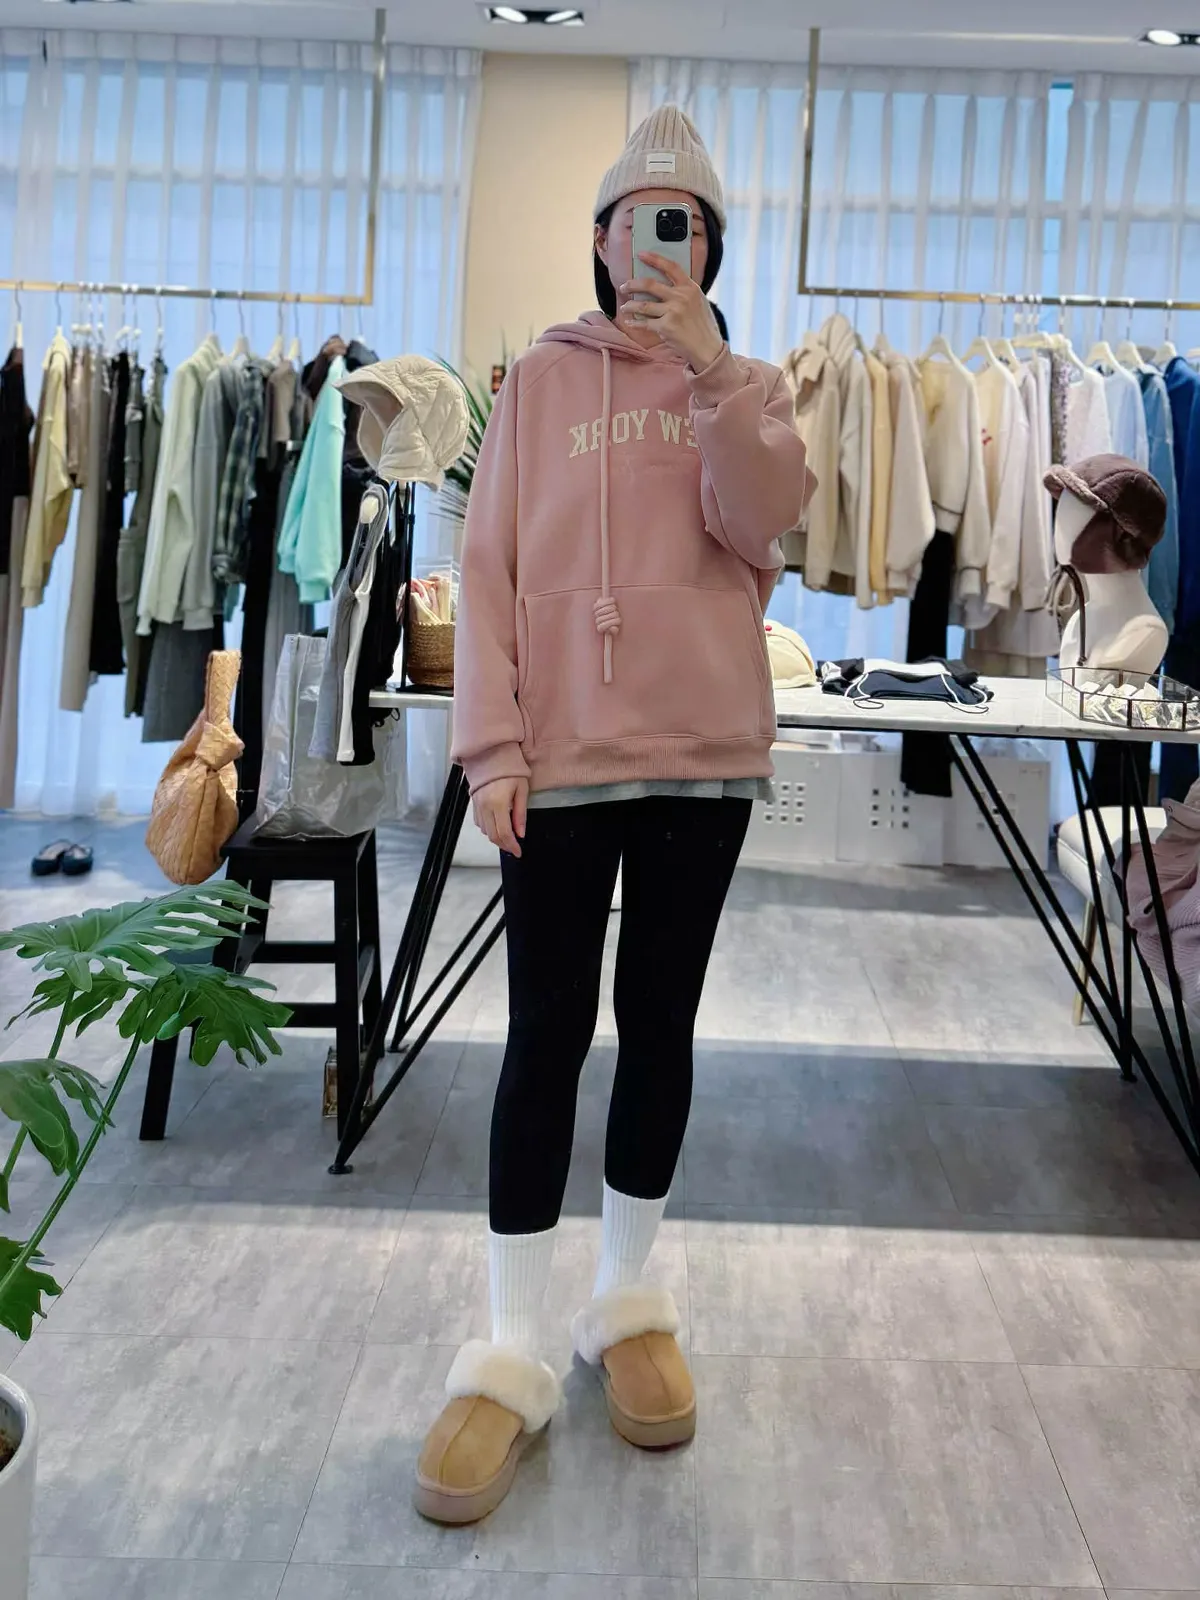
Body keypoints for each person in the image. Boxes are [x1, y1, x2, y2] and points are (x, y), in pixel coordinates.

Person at [414, 106, 815, 1525]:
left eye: (683, 223)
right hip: (564, 757)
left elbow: (764, 524)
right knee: (542, 1036)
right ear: (598, 238)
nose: (658, 242)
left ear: (711, 247)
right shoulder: (538, 382)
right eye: (638, 219)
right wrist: (490, 746)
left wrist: (712, 375)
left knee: (660, 1025)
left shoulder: (750, 386)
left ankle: (626, 1295)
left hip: (702, 754)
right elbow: (490, 564)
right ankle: (511, 1342)